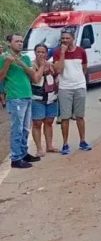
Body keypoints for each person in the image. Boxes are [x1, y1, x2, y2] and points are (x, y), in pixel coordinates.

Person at [0, 34, 41, 168]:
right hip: (15, 97)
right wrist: (7, 63)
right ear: (9, 43)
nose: (20, 43)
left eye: (21, 41)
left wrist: (20, 62)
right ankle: (16, 158)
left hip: (27, 95)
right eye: (16, 41)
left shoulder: (26, 58)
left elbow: (33, 76)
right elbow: (1, 78)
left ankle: (23, 153)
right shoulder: (3, 58)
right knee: (16, 129)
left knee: (25, 129)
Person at [53, 28, 92, 155]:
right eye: (62, 38)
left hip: (79, 87)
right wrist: (63, 53)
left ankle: (82, 141)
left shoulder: (81, 51)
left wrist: (79, 80)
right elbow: (58, 70)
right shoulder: (57, 52)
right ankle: (65, 144)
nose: (64, 40)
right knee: (65, 117)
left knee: (80, 116)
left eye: (67, 38)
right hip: (65, 88)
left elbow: (85, 68)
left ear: (73, 39)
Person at [30, 43, 59, 156]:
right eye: (38, 52)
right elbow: (35, 79)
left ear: (47, 53)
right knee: (37, 123)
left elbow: (57, 76)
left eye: (43, 52)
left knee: (49, 122)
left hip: (51, 98)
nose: (41, 54)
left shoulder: (51, 65)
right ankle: (39, 149)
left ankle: (49, 146)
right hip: (37, 98)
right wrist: (42, 66)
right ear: (35, 53)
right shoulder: (31, 65)